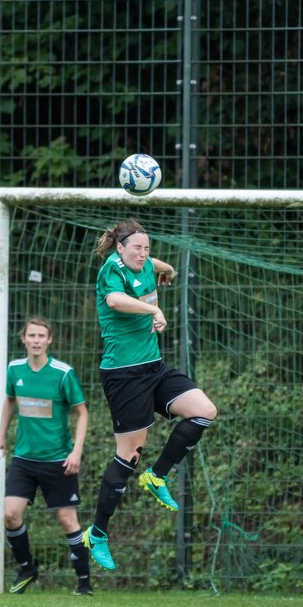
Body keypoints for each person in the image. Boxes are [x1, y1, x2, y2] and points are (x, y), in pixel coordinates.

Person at [83, 219, 217, 571]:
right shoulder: (110, 272)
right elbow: (115, 300)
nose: (143, 254)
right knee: (128, 455)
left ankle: (157, 476)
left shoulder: (146, 263)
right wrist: (153, 309)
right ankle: (97, 533)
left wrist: (168, 271)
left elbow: (162, 266)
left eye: (146, 247)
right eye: (136, 248)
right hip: (123, 374)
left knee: (204, 410)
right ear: (119, 249)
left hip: (154, 367)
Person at [0, 317, 93, 596]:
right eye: (31, 335)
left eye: (41, 336)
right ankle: (27, 568)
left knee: (67, 520)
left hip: (58, 459)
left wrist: (76, 451)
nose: (36, 340)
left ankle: (84, 583)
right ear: (23, 339)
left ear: (50, 340)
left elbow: (82, 412)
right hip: (24, 458)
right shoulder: (15, 369)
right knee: (10, 514)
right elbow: (10, 400)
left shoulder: (62, 373)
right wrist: (0, 435)